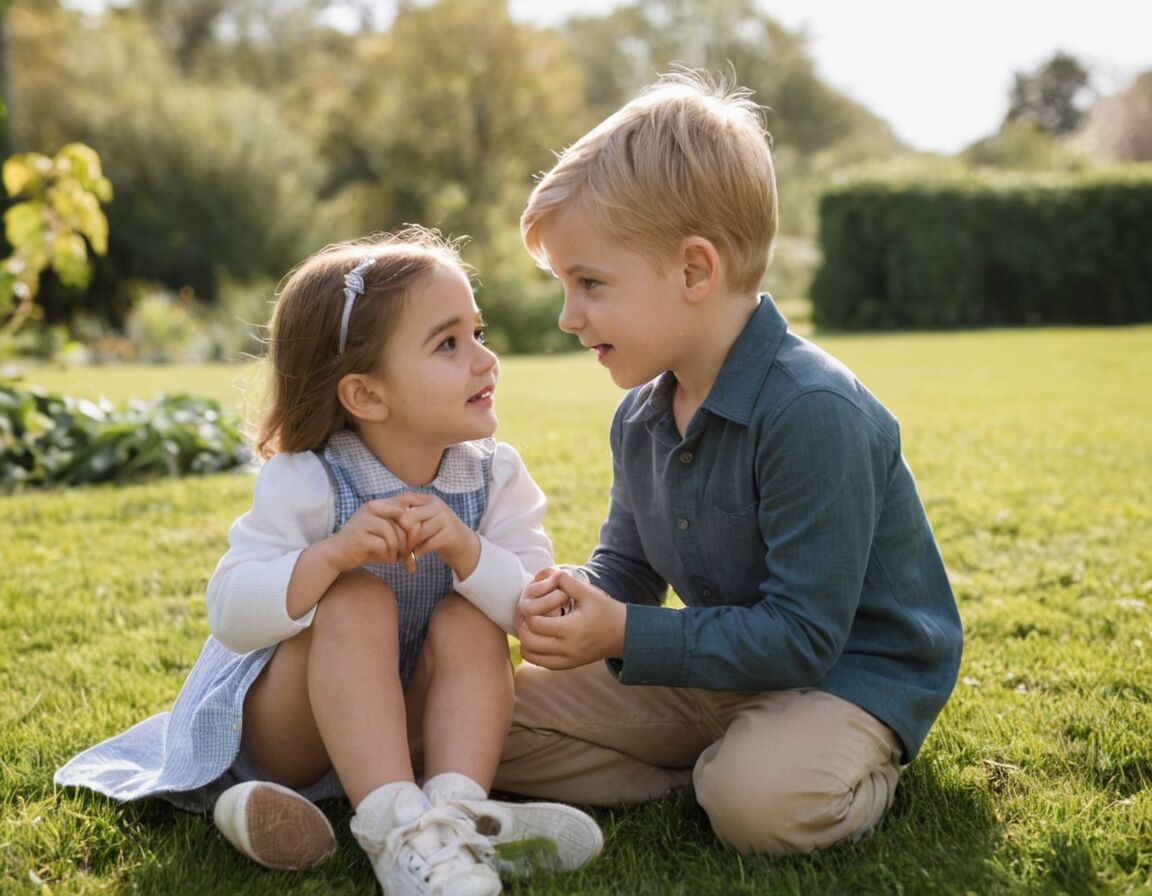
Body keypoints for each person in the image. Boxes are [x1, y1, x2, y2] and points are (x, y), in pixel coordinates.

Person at [494, 69, 964, 856]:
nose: (570, 317)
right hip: (720, 671)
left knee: (761, 808)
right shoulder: (642, 414)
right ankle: (699, 777)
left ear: (693, 271)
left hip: (844, 677)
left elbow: (805, 638)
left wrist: (627, 634)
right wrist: (582, 601)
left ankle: (804, 772)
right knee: (481, 716)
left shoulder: (813, 412)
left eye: (590, 284)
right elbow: (628, 568)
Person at [55, 226, 602, 896]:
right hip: (293, 731)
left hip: (402, 726)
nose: (485, 360)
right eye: (449, 344)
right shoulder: (310, 479)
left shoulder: (495, 476)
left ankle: (453, 813)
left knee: (471, 618)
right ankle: (391, 829)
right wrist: (330, 558)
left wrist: (467, 550)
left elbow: (529, 610)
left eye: (479, 334)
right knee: (356, 596)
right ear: (366, 396)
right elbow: (229, 610)